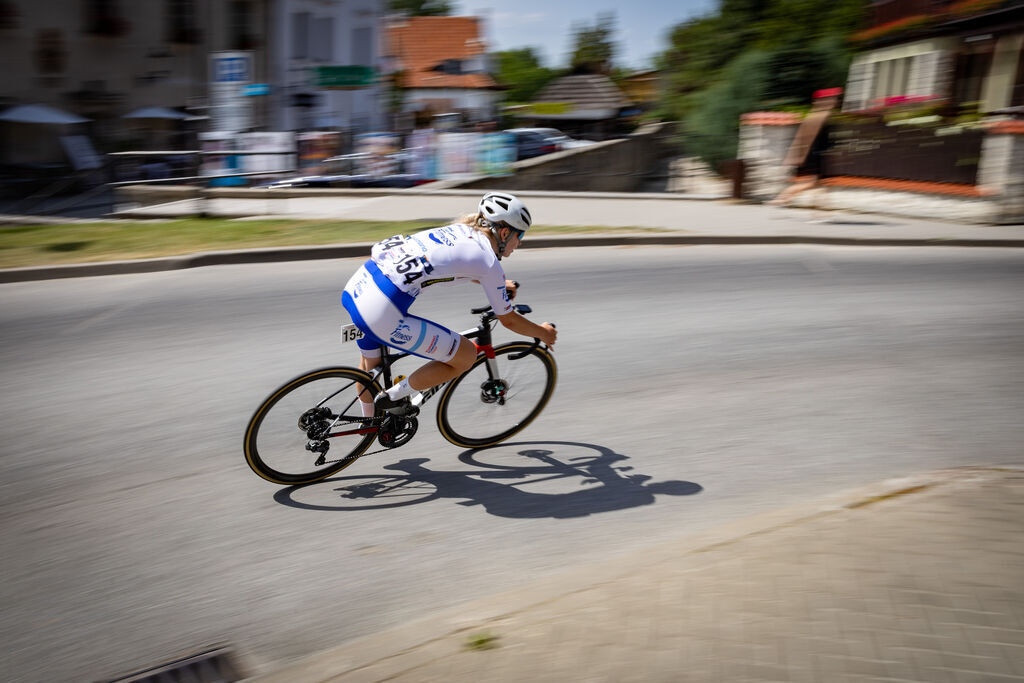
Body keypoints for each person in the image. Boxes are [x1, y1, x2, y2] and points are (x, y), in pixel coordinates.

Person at [341, 192, 558, 416]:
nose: (520, 242)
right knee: (465, 356)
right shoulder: (488, 261)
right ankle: (392, 396)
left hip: (358, 287)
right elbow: (509, 321)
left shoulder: (462, 231)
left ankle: (366, 429)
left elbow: (453, 267)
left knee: (369, 371)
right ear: (504, 232)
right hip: (380, 311)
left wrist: (500, 284)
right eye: (520, 235)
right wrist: (543, 333)